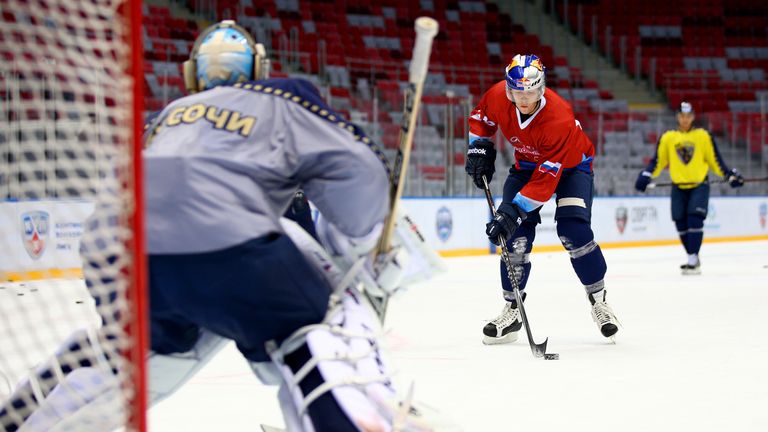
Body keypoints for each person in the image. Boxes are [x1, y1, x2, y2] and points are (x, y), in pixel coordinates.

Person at [0, 20, 453, 431]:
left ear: (192, 74)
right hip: (225, 240)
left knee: (138, 353)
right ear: (259, 67)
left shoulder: (164, 119)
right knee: (323, 317)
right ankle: (360, 421)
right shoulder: (283, 96)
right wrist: (370, 244)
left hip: (117, 252)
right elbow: (356, 170)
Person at [464, 54, 620, 345]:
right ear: (508, 89)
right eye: (517, 92)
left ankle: (599, 301)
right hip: (527, 166)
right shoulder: (498, 94)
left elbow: (546, 182)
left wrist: (513, 210)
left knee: (574, 231)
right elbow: (480, 119)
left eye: (531, 92)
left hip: (573, 167)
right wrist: (479, 148)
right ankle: (512, 310)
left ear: (542, 88)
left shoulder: (558, 117)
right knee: (514, 237)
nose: (523, 99)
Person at [634, 101, 744, 274]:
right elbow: (658, 161)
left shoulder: (703, 136)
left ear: (693, 117)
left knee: (694, 219)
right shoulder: (668, 137)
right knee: (680, 224)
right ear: (678, 117)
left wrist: (728, 175)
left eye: (688, 116)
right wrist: (646, 175)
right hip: (678, 187)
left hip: (699, 185)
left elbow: (715, 161)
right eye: (682, 116)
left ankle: (692, 258)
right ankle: (693, 256)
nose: (685, 119)